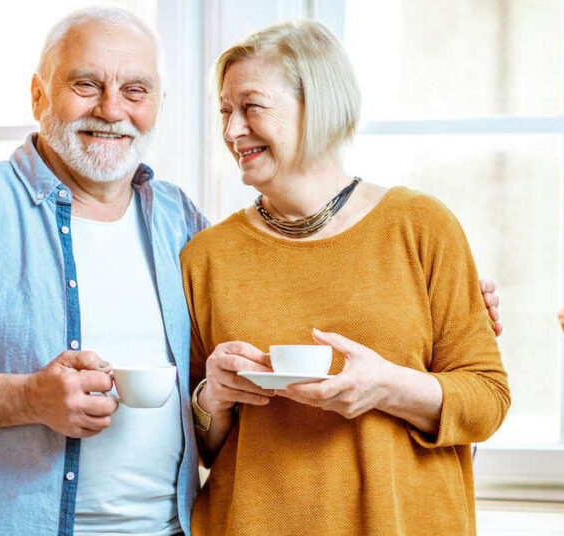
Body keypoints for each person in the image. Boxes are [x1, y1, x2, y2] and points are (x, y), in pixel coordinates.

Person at [0, 7, 502, 536]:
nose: (112, 108)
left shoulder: (180, 224)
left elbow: (475, 386)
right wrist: (29, 396)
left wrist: (426, 333)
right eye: (86, 84)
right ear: (38, 93)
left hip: (172, 529)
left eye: (135, 90)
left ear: (156, 103)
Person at [181, 21, 510, 536]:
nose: (231, 130)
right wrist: (211, 399)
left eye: (251, 106)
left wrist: (387, 386)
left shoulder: (420, 225)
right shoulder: (207, 256)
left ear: (318, 105)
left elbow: (487, 400)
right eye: (224, 111)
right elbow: (194, 447)